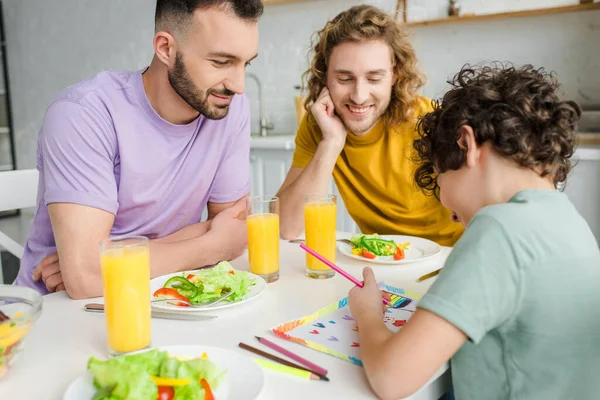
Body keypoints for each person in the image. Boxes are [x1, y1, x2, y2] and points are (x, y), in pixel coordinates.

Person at [347, 64, 600, 400]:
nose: (451, 217)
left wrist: (368, 314)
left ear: (467, 144)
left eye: (440, 181)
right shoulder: (572, 222)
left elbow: (390, 380)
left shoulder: (497, 229)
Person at [15, 0, 264, 299]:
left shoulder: (228, 109)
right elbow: (87, 280)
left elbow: (234, 230)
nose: (239, 85)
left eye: (246, 63)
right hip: (60, 312)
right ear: (166, 48)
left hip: (167, 297)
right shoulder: (83, 114)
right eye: (221, 62)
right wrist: (211, 245)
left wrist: (112, 259)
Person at [276, 5, 463, 246]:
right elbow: (287, 226)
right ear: (324, 76)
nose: (359, 96)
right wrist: (331, 143)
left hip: (449, 256)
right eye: (344, 79)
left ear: (394, 75)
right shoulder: (321, 125)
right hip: (382, 258)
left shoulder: (430, 119)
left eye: (374, 78)